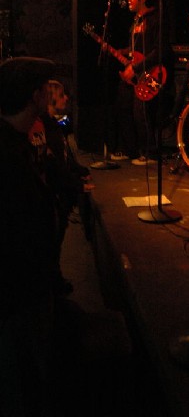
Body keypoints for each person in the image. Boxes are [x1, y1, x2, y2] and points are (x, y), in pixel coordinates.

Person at [0, 56, 59, 416]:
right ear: (35, 95)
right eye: (49, 87)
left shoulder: (15, 143)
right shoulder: (9, 160)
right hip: (18, 296)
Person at [29, 79, 93, 295]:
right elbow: (55, 164)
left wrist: (78, 171)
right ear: (51, 98)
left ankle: (54, 282)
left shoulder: (53, 126)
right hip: (56, 196)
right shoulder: (45, 128)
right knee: (52, 244)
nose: (66, 98)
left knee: (56, 242)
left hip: (61, 194)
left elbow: (64, 158)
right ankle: (52, 286)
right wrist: (75, 183)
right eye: (62, 95)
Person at [109, 0, 174, 165]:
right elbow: (136, 49)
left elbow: (160, 50)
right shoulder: (136, 21)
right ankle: (130, 150)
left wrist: (136, 68)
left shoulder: (156, 18)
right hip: (137, 72)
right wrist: (122, 52)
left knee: (142, 112)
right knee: (122, 106)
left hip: (154, 73)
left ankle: (151, 153)